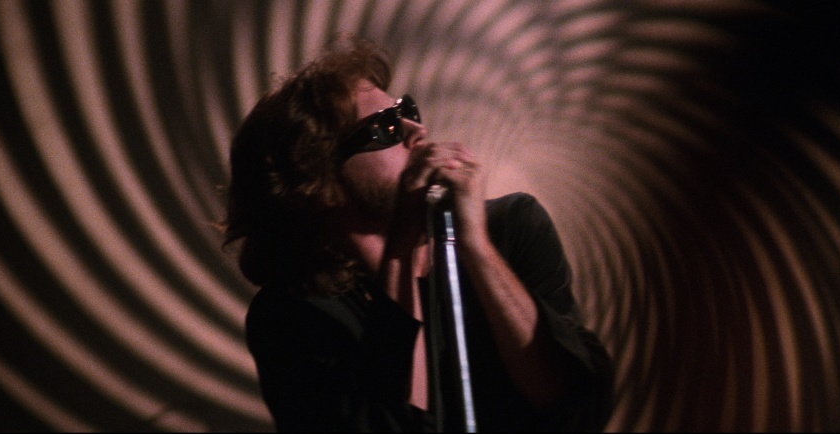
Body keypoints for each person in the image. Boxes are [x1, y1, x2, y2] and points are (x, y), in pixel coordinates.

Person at [224, 38, 614, 432]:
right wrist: (403, 244)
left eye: (406, 110)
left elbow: (574, 405)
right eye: (385, 127)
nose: (416, 130)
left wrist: (477, 247)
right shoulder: (292, 317)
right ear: (319, 180)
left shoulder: (513, 227)